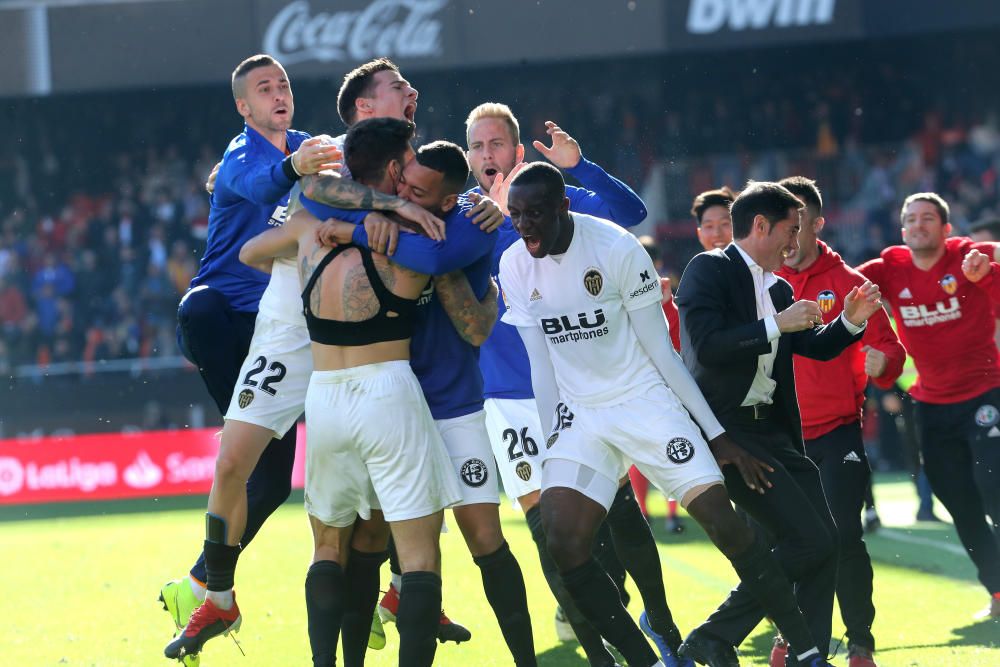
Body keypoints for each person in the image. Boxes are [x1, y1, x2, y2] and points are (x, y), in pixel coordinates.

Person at [162, 59, 470, 664]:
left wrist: (478, 205)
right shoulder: (319, 159)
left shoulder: (397, 166)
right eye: (396, 89)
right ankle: (217, 594)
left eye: (284, 85)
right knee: (234, 463)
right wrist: (381, 211)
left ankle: (408, 591)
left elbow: (444, 192)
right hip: (283, 329)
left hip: (352, 347)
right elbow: (302, 189)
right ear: (362, 108)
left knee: (382, 493)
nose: (411, 94)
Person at [502, 163, 842, 667]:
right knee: (563, 542)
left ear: (562, 207)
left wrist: (717, 435)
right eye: (515, 215)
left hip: (644, 400)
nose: (524, 225)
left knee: (723, 524)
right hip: (581, 416)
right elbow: (541, 364)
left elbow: (666, 355)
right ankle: (648, 659)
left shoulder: (618, 250)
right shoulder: (513, 264)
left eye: (534, 213)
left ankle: (806, 647)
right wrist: (555, 439)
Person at [236, 117, 460, 667]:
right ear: (391, 168)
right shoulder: (413, 232)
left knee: (327, 548)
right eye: (407, 162)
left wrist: (329, 225)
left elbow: (248, 253)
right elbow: (457, 277)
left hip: (326, 397)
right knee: (418, 555)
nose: (412, 173)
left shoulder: (309, 225)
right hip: (388, 388)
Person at [466, 103, 681, 667]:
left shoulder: (552, 199)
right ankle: (599, 653)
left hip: (578, 387)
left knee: (619, 517)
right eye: (478, 147)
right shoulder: (462, 216)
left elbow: (627, 212)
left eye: (497, 145)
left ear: (517, 152)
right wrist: (485, 219)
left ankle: (660, 621)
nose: (488, 156)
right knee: (550, 536)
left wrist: (580, 167)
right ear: (469, 158)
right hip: (511, 400)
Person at [310, 136, 538, 666]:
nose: (406, 193)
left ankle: (527, 660)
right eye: (403, 183)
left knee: (484, 536)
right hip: (386, 405)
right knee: (368, 539)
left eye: (419, 191)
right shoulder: (386, 207)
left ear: (446, 199)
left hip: (451, 404)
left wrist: (356, 232)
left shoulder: (468, 225)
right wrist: (376, 217)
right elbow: (313, 197)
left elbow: (466, 313)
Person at [161, 54, 340, 663]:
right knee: (203, 308)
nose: (278, 92)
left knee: (270, 483)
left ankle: (201, 585)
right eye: (264, 88)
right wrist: (297, 164)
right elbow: (265, 184)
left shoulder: (314, 151)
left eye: (283, 84)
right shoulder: (243, 156)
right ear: (244, 107)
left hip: (277, 332)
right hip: (222, 323)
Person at [674, 180, 884, 665]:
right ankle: (722, 636)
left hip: (776, 432)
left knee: (824, 542)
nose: (796, 243)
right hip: (730, 434)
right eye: (791, 231)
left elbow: (808, 346)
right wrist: (776, 324)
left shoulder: (779, 286)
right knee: (809, 541)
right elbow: (705, 348)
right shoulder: (708, 269)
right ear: (761, 226)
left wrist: (850, 323)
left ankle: (800, 653)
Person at [774, 176, 906, 667]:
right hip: (779, 437)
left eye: (799, 222)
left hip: (836, 432)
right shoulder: (760, 281)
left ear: (817, 224)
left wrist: (883, 363)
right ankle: (799, 638)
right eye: (784, 224)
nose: (791, 235)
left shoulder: (850, 283)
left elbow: (892, 349)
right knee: (787, 543)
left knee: (843, 534)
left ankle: (859, 642)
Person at [858, 192, 1000, 619]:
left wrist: (990, 263)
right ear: (902, 230)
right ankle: (996, 591)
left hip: (986, 392)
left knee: (992, 486)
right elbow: (837, 279)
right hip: (931, 403)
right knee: (955, 499)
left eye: (927, 218)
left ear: (946, 228)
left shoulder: (967, 256)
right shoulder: (889, 267)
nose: (917, 225)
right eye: (910, 219)